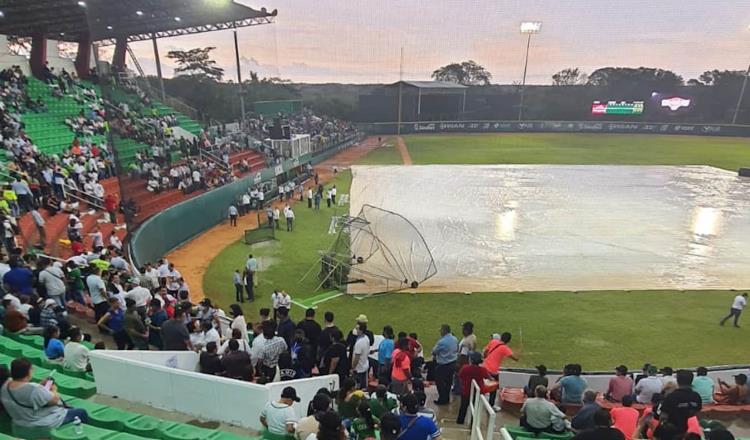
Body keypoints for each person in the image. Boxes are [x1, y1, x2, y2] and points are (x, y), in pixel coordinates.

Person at [0, 359, 89, 431]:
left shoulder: (5, 386)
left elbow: (27, 394)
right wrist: (54, 389)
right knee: (81, 412)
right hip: (39, 423)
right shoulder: (33, 388)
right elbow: (55, 399)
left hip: (19, 422)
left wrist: (40, 385)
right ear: (28, 372)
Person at [482, 332, 518, 409]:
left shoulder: (493, 341)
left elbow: (485, 351)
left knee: (482, 384)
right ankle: (491, 405)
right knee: (493, 388)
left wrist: (485, 356)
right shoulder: (505, 348)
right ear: (509, 341)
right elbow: (515, 358)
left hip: (484, 367)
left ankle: (479, 400)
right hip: (493, 370)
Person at [457, 352, 490, 425]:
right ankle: (473, 424)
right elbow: (487, 377)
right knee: (476, 410)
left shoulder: (465, 368)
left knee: (463, 407)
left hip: (466, 391)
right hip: (478, 393)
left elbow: (460, 376)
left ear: (471, 360)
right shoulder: (482, 370)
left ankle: (460, 422)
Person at [432, 324, 458, 405]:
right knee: (448, 382)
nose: (440, 332)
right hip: (453, 363)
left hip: (443, 365)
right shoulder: (455, 339)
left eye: (441, 330)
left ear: (445, 331)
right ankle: (446, 398)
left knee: (440, 382)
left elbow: (434, 351)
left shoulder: (442, 342)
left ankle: (442, 399)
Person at [351, 322, 371, 390]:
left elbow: (357, 357)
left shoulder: (359, 343)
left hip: (358, 369)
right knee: (364, 387)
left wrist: (352, 368)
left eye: (357, 329)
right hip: (364, 365)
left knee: (357, 388)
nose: (356, 330)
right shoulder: (366, 338)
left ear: (361, 330)